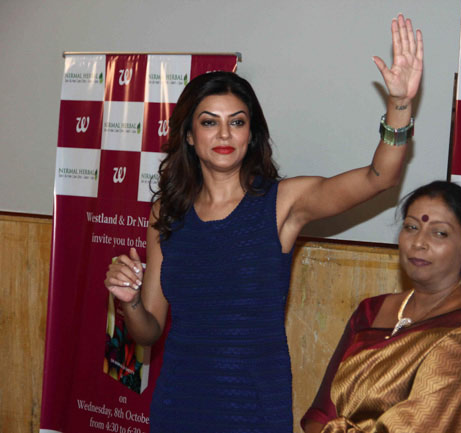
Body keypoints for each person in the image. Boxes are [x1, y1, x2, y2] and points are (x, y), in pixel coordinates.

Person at [104, 13, 423, 432]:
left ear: (250, 134)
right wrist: (128, 303)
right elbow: (149, 331)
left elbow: (379, 178)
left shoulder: (282, 202)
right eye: (209, 122)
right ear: (189, 136)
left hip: (253, 412)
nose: (224, 134)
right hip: (179, 406)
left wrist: (399, 104)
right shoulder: (167, 212)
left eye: (237, 122)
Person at [301, 181, 461, 433]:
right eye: (411, 227)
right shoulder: (370, 312)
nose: (419, 242)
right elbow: (322, 412)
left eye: (439, 233)